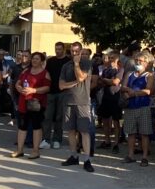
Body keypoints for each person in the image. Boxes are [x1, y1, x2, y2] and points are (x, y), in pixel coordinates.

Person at [59, 41, 95, 172]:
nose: (74, 53)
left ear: (81, 51)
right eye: (72, 51)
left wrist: (76, 64)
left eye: (76, 51)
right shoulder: (65, 66)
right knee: (70, 131)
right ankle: (74, 156)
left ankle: (87, 159)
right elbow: (61, 85)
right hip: (68, 101)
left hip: (82, 102)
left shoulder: (86, 63)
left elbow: (81, 77)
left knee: (84, 131)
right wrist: (73, 83)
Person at [121, 51, 155, 166]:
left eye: (140, 61)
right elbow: (123, 87)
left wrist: (134, 93)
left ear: (146, 63)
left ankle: (144, 157)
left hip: (143, 107)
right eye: (136, 60)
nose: (137, 62)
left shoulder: (149, 75)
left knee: (144, 133)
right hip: (130, 107)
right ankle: (130, 155)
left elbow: (148, 90)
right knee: (131, 133)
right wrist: (127, 91)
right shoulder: (129, 74)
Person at [13, 51, 50, 159]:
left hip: (36, 104)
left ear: (42, 61)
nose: (34, 60)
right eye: (33, 58)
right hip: (23, 102)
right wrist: (18, 87)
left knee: (36, 126)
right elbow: (18, 82)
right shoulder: (26, 71)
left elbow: (47, 88)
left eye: (37, 59)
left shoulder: (45, 73)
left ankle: (35, 151)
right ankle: (19, 150)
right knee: (22, 126)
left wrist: (34, 90)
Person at [43, 42, 69, 150]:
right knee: (47, 116)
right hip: (50, 92)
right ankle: (46, 139)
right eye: (56, 49)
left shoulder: (68, 61)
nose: (57, 51)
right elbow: (46, 73)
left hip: (63, 92)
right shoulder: (51, 61)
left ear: (63, 49)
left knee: (59, 117)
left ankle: (57, 139)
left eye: (59, 49)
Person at [97, 52, 124, 150]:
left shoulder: (120, 70)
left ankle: (116, 143)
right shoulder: (106, 70)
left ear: (117, 59)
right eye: (109, 58)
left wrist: (105, 80)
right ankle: (107, 141)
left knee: (116, 122)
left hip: (115, 98)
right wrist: (108, 81)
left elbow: (115, 82)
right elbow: (99, 82)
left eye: (112, 58)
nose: (110, 60)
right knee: (105, 121)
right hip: (106, 97)